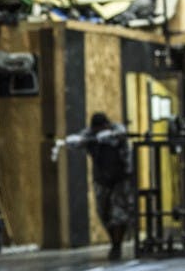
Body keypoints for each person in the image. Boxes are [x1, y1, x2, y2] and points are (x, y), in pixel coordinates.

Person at [54, 112, 134, 261]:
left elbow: (122, 133)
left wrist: (111, 135)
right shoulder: (90, 134)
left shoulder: (116, 130)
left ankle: (117, 245)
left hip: (121, 178)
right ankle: (114, 240)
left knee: (119, 214)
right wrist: (71, 141)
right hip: (102, 179)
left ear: (106, 125)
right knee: (103, 212)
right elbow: (78, 140)